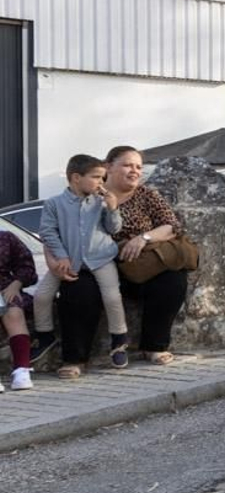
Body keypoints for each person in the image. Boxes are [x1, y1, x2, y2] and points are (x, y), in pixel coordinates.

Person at [33, 154, 128, 377]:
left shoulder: (100, 201)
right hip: (69, 261)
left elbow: (114, 230)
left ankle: (119, 338)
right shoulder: (54, 203)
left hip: (101, 258)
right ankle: (45, 335)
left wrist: (113, 208)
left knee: (112, 297)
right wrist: (61, 257)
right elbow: (48, 232)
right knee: (41, 296)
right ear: (76, 178)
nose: (101, 183)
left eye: (102, 178)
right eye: (96, 177)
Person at [103, 146, 193, 365]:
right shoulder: (93, 197)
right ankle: (75, 359)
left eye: (138, 167)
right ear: (109, 167)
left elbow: (172, 227)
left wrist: (143, 238)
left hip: (142, 265)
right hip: (105, 265)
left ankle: (154, 346)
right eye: (127, 165)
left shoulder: (146, 195)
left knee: (173, 282)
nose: (134, 171)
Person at [2, 227, 37, 391]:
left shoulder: (6, 238)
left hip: (4, 288)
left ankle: (21, 369)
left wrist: (16, 285)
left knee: (13, 311)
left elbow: (26, 265)